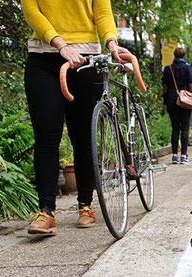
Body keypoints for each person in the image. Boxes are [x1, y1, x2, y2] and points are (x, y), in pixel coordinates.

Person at [21, 0, 127, 235]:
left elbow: (102, 12)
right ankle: (46, 211)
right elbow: (31, 11)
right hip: (44, 59)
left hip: (86, 59)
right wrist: (61, 44)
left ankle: (86, 205)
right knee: (47, 137)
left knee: (83, 139)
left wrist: (111, 43)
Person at [162, 47, 192, 164]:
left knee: (175, 128)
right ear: (184, 56)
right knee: (185, 128)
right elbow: (190, 85)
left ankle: (175, 156)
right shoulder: (187, 68)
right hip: (185, 101)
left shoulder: (168, 69)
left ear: (174, 55)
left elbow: (165, 87)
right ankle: (184, 156)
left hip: (172, 101)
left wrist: (165, 100)